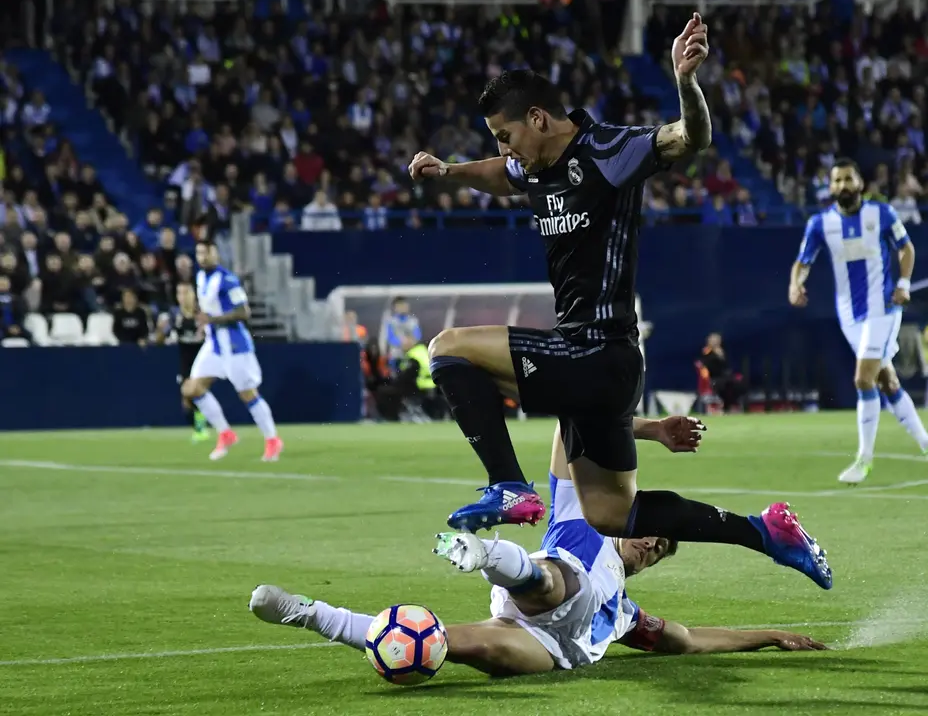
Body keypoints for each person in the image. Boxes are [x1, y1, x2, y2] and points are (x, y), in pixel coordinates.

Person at [405, 17, 811, 576]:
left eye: (505, 134)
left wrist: (685, 82)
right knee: (610, 512)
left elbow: (689, 137)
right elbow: (504, 174)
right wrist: (450, 171)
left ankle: (507, 486)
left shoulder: (609, 152)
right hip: (596, 370)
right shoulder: (534, 167)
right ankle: (764, 532)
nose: (504, 147)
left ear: (538, 118)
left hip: (599, 353)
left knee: (448, 348)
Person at [249, 416, 827, 677]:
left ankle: (313, 613)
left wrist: (772, 636)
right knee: (554, 581)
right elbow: (569, 425)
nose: (652, 544)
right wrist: (648, 431)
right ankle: (491, 557)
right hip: (543, 583)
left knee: (432, 646)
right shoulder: (584, 512)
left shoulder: (623, 614)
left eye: (659, 551)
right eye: (655, 536)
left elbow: (691, 641)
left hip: (543, 646)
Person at [788, 159, 928, 484]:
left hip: (883, 310)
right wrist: (795, 284)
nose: (843, 186)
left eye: (848, 178)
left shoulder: (881, 214)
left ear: (860, 182)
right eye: (837, 181)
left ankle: (863, 461)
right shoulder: (820, 224)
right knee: (887, 383)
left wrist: (904, 284)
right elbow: (802, 261)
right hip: (849, 316)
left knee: (863, 379)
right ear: (830, 187)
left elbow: (906, 248)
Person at [180, 241, 283, 461]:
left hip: (235, 346)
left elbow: (243, 312)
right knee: (192, 388)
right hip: (214, 345)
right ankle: (225, 434)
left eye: (206, 253)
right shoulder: (200, 277)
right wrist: (197, 314)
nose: (202, 257)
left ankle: (273, 440)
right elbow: (209, 310)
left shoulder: (227, 280)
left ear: (215, 254)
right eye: (198, 253)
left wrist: (212, 319)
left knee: (248, 395)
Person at [157, 282, 209, 442]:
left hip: (202, 360)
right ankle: (200, 428)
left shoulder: (202, 315)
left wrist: (206, 329)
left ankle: (202, 429)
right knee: (186, 400)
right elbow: (160, 339)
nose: (182, 297)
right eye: (179, 293)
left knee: (194, 393)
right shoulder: (174, 316)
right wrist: (160, 330)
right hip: (185, 361)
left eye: (186, 293)